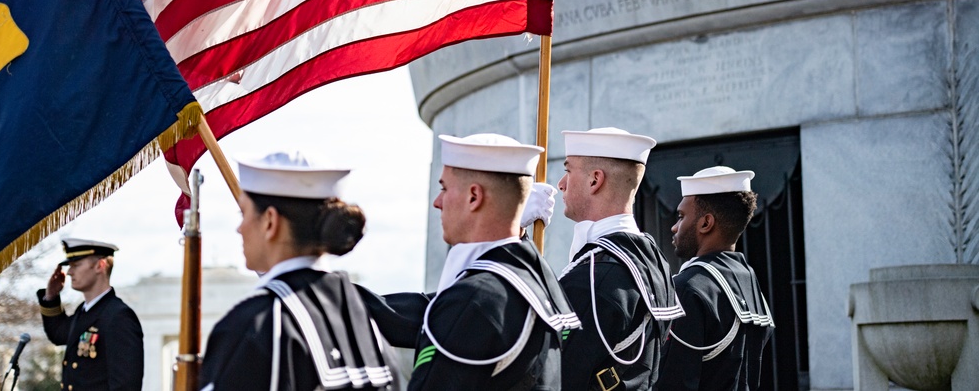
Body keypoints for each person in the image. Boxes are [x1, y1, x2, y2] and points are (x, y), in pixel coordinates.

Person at [360, 133, 580, 390]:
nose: (437, 202)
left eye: (444, 188)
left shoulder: (474, 298)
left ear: (474, 196)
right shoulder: (538, 282)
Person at [199, 152, 397, 391]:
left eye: (244, 213)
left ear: (270, 221)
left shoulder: (258, 324)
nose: (239, 228)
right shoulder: (363, 323)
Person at [556, 127, 684, 391]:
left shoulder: (592, 277)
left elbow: (554, 376)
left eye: (568, 171)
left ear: (595, 180)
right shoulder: (653, 259)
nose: (561, 184)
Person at [654, 166, 775, 391]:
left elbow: (673, 383)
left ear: (706, 223)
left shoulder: (687, 287)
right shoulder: (748, 280)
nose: (674, 227)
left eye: (681, 216)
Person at [37, 238, 144, 391]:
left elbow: (125, 385)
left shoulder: (119, 316)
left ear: (100, 266)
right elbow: (59, 334)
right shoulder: (85, 310)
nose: (69, 272)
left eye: (76, 265)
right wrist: (51, 297)